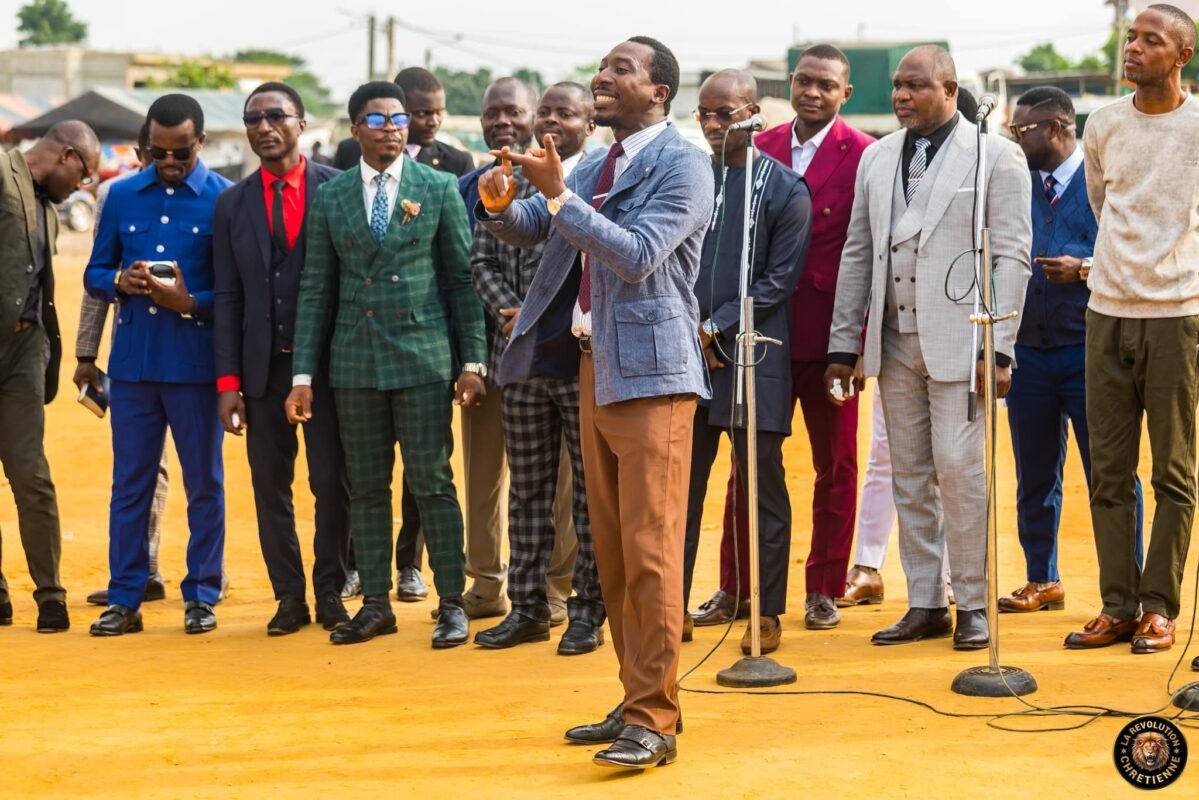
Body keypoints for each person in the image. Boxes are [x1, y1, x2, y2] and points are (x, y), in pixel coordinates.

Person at [477, 36, 711, 770]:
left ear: (659, 91)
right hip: (594, 368)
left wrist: (557, 194)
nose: (600, 77)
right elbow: (542, 230)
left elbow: (636, 255)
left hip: (653, 377)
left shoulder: (684, 164)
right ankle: (638, 694)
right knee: (610, 554)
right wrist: (501, 205)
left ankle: (654, 719)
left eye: (620, 70)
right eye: (601, 67)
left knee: (650, 552)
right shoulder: (597, 163)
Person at [825, 46, 1031, 651]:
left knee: (961, 473)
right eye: (897, 85)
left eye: (915, 85)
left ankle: (973, 603)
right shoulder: (879, 156)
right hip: (893, 342)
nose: (901, 96)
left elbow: (1011, 257)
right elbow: (858, 253)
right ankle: (926, 602)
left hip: (963, 342)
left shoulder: (996, 155)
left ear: (949, 89)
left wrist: (998, 347)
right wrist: (845, 341)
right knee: (911, 476)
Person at [285, 81, 487, 649]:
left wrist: (472, 360)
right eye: (377, 120)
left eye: (398, 119)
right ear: (356, 130)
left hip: (423, 358)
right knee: (367, 487)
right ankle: (376, 603)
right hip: (354, 362)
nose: (392, 128)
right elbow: (316, 290)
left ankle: (452, 602)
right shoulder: (332, 196)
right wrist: (303, 377)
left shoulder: (438, 187)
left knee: (432, 482)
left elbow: (461, 280)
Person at [700, 44, 874, 632]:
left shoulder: (865, 154)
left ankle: (823, 587)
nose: (813, 93)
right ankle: (735, 586)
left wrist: (854, 344)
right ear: (790, 84)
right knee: (747, 465)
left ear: (845, 92)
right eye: (804, 81)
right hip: (756, 334)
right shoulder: (756, 144)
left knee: (837, 466)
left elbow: (867, 255)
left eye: (826, 84)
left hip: (828, 340)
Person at [1065, 4, 1199, 655]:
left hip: (1177, 317)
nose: (1134, 47)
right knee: (1108, 473)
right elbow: (1102, 203)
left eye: (1151, 40)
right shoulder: (1103, 123)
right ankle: (1117, 605)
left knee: (1173, 473)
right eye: (1130, 37)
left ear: (1182, 56)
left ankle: (1159, 607)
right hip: (1106, 311)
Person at [84, 94, 233, 636]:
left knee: (204, 484)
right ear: (146, 144)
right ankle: (125, 597)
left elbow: (234, 293)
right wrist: (118, 281)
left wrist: (190, 302)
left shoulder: (224, 199)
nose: (169, 162)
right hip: (134, 367)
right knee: (130, 485)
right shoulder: (121, 195)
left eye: (181, 153)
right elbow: (95, 272)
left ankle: (202, 594)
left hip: (195, 367)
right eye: (158, 152)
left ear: (201, 143)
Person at [396, 77, 540, 614]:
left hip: (550, 353)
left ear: (532, 116)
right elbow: (461, 271)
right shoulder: (463, 188)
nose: (503, 122)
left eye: (513, 112)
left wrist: (531, 317)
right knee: (482, 478)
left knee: (552, 483)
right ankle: (485, 584)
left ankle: (553, 589)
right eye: (493, 114)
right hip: (486, 354)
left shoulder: (561, 184)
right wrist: (487, 337)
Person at [212, 82, 351, 636]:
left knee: (331, 483)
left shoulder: (338, 189)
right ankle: (289, 597)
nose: (264, 126)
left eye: (276, 115)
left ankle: (331, 591)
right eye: (254, 118)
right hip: (261, 370)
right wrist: (228, 382)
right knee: (270, 487)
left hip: (329, 369)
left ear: (301, 123)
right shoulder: (232, 203)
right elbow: (228, 296)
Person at [472, 82, 605, 654]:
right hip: (522, 359)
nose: (551, 120)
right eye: (545, 111)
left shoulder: (604, 178)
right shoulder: (513, 177)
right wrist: (515, 316)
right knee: (528, 493)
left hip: (583, 361)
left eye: (565, 113)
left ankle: (585, 613)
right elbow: (482, 255)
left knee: (588, 498)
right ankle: (526, 609)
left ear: (590, 123)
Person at [681, 69, 811, 655]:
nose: (712, 125)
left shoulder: (785, 189)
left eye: (724, 114)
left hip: (753, 358)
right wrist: (690, 330)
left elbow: (779, 281)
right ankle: (671, 608)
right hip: (686, 359)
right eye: (704, 115)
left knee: (762, 489)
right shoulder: (688, 178)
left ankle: (765, 611)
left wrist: (717, 327)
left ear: (753, 114)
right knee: (680, 491)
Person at [1004, 86, 1144, 615]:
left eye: (1022, 131)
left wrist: (1083, 268)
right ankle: (1042, 578)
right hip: (1028, 354)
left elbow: (1132, 251)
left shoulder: (1102, 180)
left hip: (1092, 352)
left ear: (1057, 129)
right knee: (1034, 475)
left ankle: (1127, 591)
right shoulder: (1016, 185)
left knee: (1110, 474)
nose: (1014, 140)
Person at [390, 70, 492, 605]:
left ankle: (411, 562)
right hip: (368, 332)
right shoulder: (352, 153)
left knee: (424, 462)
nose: (429, 121)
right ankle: (358, 562)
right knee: (363, 464)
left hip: (429, 333)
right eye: (419, 111)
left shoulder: (455, 163)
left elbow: (460, 256)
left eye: (436, 111)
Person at [0, 120, 99, 633]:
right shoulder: (2, 173)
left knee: (30, 474)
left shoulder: (47, 211)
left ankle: (50, 594)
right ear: (66, 156)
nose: (83, 185)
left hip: (22, 351)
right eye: (84, 174)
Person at [332, 68, 474, 178]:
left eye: (439, 112)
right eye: (423, 114)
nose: (434, 122)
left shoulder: (458, 163)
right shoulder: (350, 151)